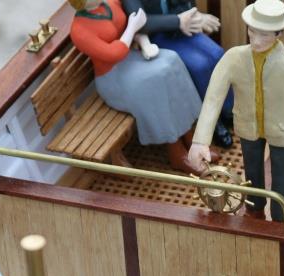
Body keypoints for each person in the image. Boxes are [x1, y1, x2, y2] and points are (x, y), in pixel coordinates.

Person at [189, 0, 284, 221]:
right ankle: (254, 210)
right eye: (252, 31)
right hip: (247, 126)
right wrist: (200, 141)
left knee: (283, 178)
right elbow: (213, 98)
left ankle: (280, 220)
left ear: (279, 33)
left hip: (282, 132)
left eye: (265, 34)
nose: (256, 40)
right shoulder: (233, 59)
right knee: (252, 173)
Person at [69, 0, 203, 173]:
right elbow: (114, 53)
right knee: (155, 82)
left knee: (172, 61)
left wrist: (141, 39)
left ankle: (191, 138)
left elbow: (131, 21)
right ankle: (175, 150)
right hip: (113, 76)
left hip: (131, 58)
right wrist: (132, 27)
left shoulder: (110, 3)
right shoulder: (79, 30)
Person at [122, 0, 234, 148]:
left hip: (182, 24)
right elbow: (141, 23)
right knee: (199, 65)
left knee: (217, 54)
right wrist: (177, 21)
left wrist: (192, 16)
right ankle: (211, 121)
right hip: (155, 35)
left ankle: (227, 109)